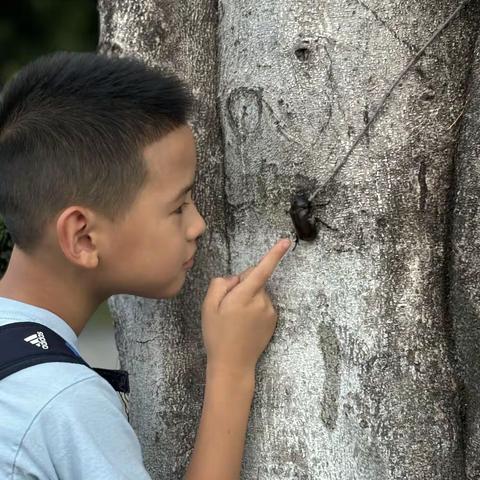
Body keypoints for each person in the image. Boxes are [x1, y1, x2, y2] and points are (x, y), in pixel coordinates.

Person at [0, 51, 291, 480]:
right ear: (82, 237)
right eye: (178, 207)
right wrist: (231, 368)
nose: (198, 225)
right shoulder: (66, 403)